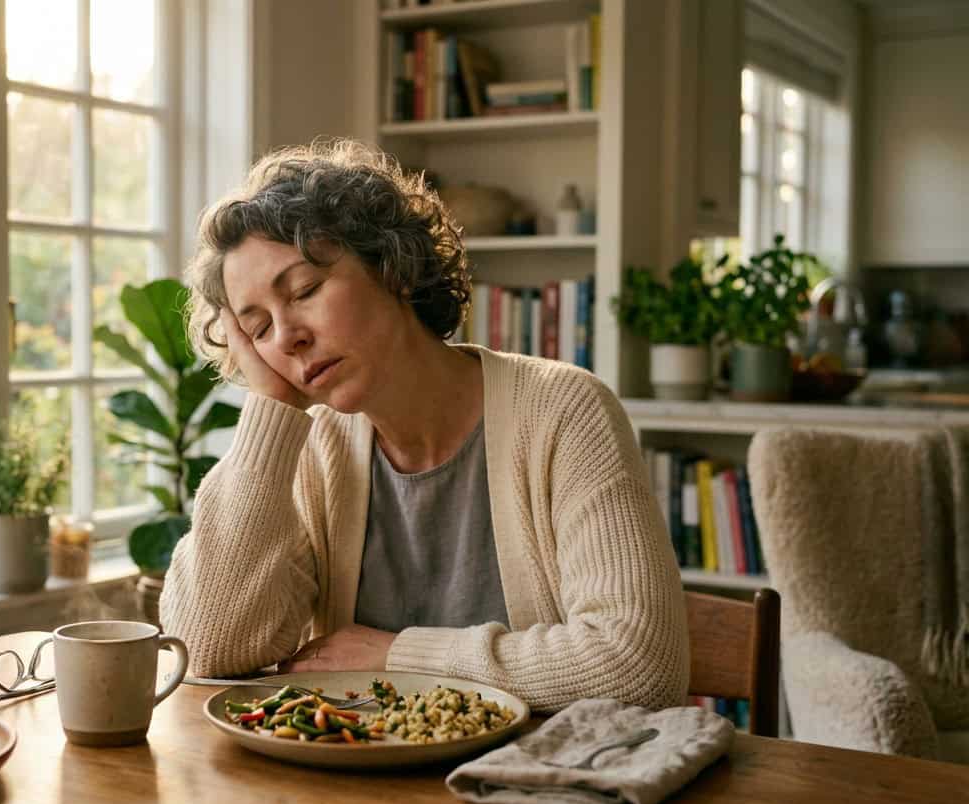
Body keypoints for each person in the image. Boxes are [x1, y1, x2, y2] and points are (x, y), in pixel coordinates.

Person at [159, 140, 689, 712]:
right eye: (258, 327)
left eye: (306, 291)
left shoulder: (563, 410)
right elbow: (205, 646)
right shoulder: (312, 449)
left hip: (540, 786)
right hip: (352, 790)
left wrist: (396, 656)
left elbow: (639, 668)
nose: (287, 337)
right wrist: (272, 409)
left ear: (394, 269)